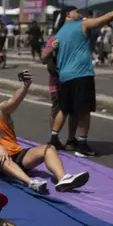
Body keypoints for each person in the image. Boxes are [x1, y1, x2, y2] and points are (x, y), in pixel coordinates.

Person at [0, 74, 90, 194]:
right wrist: (0, 148)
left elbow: (14, 100)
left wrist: (25, 86)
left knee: (48, 148)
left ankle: (63, 179)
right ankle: (30, 182)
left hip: (17, 154)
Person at [55, 0, 113, 158]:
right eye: (75, 11)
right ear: (68, 15)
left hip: (65, 76)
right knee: (84, 111)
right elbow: (109, 17)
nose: (79, 13)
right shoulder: (82, 24)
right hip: (81, 74)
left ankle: (66, 140)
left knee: (69, 110)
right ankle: (82, 144)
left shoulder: (59, 33)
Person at [42, 11, 67, 150]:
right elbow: (44, 58)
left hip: (72, 79)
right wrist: (53, 48)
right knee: (57, 110)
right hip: (56, 81)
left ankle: (71, 138)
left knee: (72, 111)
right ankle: (54, 138)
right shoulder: (54, 38)